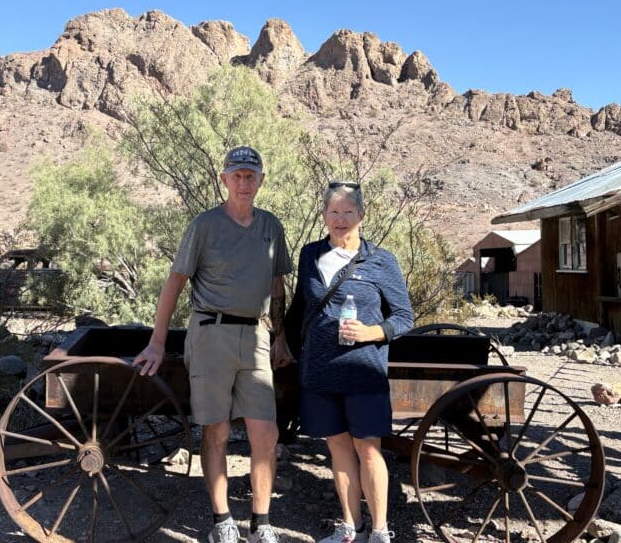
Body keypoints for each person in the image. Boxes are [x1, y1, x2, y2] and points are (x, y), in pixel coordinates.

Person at [133, 145, 294, 543]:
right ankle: (222, 521)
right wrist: (156, 343)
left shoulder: (270, 227)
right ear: (224, 179)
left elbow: (277, 287)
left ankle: (261, 523)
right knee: (216, 431)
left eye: (250, 176)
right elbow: (174, 283)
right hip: (210, 333)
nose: (244, 182)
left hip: (255, 337)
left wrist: (281, 336)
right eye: (236, 175)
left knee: (265, 433)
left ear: (260, 181)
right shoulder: (204, 226)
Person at [285, 181, 413, 543]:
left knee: (368, 449)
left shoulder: (380, 260)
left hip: (363, 370)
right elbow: (301, 307)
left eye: (347, 212)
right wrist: (283, 341)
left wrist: (371, 332)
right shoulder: (310, 255)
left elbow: (404, 317)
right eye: (333, 212)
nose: (340, 219)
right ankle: (350, 527)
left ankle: (379, 531)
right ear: (324, 215)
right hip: (321, 371)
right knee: (338, 449)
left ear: (361, 215)